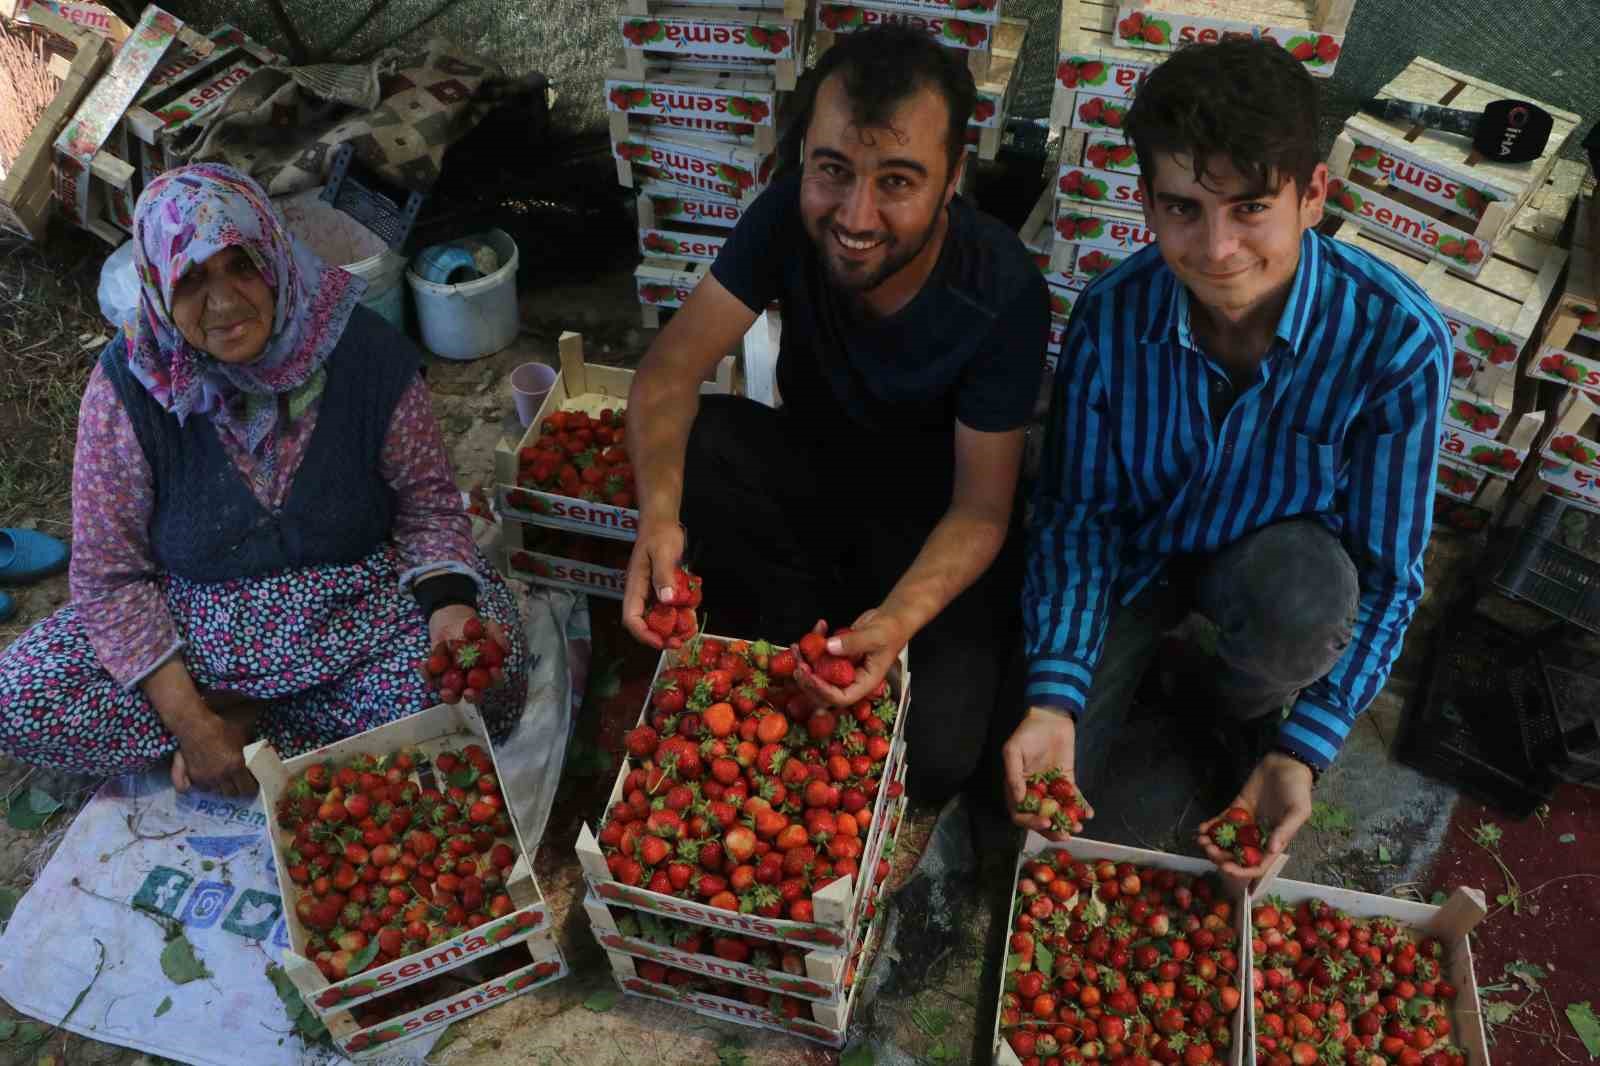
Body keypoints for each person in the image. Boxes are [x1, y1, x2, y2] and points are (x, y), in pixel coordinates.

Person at [1006, 39, 1449, 873]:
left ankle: (1224, 697)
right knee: (1039, 818)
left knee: (1313, 602)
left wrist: (1305, 745)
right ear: (1146, 203)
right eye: (1182, 209)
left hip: (1269, 559)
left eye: (1249, 208)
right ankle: (1134, 670)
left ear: (1312, 195)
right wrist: (1055, 693)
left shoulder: (1395, 342)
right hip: (1135, 556)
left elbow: (1391, 573)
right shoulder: (1111, 318)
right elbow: (1078, 516)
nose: (1215, 250)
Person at [619, 25, 1049, 802]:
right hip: (818, 480)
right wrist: (657, 518)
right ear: (802, 162)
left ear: (952, 178)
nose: (856, 215)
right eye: (834, 171)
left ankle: (818, 633)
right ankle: (794, 636)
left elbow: (982, 511)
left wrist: (898, 620)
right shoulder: (785, 214)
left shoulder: (1001, 291)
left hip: (932, 528)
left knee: (937, 761)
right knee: (709, 437)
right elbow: (666, 375)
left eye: (897, 180)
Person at [0, 164, 528, 796]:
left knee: (486, 684)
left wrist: (448, 610)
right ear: (157, 287)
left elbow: (427, 507)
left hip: (353, 613)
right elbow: (108, 576)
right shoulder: (129, 387)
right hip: (195, 631)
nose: (224, 303)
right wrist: (191, 722)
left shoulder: (364, 354)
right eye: (191, 279)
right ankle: (243, 729)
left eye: (242, 267)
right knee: (18, 696)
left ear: (276, 258)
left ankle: (253, 728)